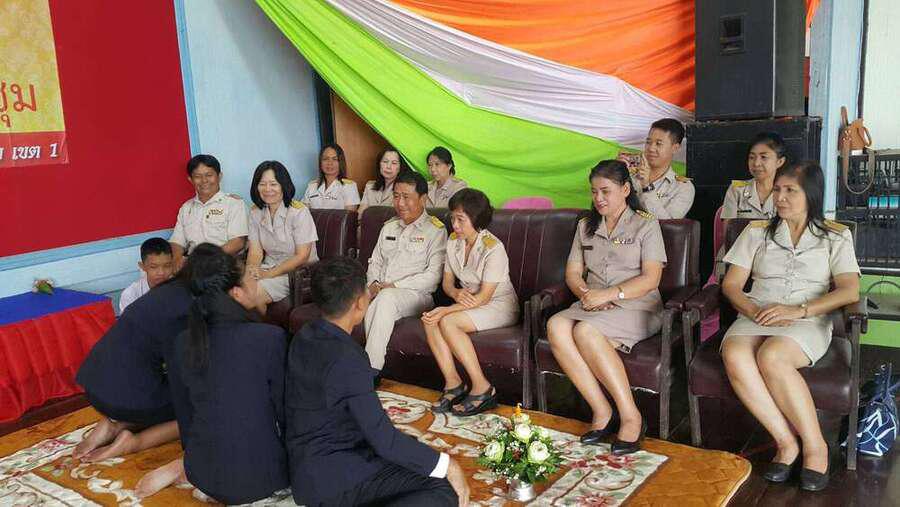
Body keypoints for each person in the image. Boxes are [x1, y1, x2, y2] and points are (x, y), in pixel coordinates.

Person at [719, 161, 860, 492]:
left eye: (790, 190)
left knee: (773, 356)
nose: (779, 197)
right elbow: (731, 285)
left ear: (810, 194)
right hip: (756, 313)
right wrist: (753, 310)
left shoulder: (835, 235)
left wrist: (799, 311)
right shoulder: (756, 232)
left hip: (807, 318)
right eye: (777, 190)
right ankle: (786, 442)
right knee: (735, 354)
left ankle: (815, 446)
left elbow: (849, 290)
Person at [287, 257, 469, 506]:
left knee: (411, 453)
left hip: (304, 472)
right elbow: (385, 441)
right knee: (441, 487)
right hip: (337, 482)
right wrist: (448, 465)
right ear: (360, 302)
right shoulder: (349, 358)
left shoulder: (303, 336)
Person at [134, 244, 290, 503]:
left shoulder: (182, 342)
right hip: (265, 478)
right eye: (250, 278)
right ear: (236, 293)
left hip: (203, 473)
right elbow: (285, 412)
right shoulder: (270, 338)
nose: (255, 283)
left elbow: (186, 417)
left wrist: (195, 462)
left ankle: (182, 469)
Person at [546, 160, 667, 455]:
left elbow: (651, 279)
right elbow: (573, 273)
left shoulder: (646, 224)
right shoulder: (586, 226)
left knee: (586, 332)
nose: (598, 198)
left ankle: (631, 416)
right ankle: (601, 410)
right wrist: (588, 295)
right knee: (556, 325)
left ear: (625, 189)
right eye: (594, 192)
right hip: (593, 303)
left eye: (605, 191)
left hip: (637, 305)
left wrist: (610, 294)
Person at [73, 246, 227, 462]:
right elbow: (180, 379)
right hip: (120, 397)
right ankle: (134, 441)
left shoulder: (166, 290)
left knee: (157, 388)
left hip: (93, 383)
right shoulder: (185, 310)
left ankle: (114, 425)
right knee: (203, 407)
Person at [422, 189, 518, 416]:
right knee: (429, 320)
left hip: (498, 304)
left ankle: (482, 387)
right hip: (468, 303)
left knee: (447, 321)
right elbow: (447, 284)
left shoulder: (493, 248)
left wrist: (446, 310)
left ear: (476, 219)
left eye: (460, 219)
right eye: (452, 218)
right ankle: (453, 384)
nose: (454, 225)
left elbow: (484, 297)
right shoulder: (453, 241)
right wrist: (455, 294)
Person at [366, 170, 448, 373]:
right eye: (396, 196)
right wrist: (373, 284)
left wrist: (394, 286)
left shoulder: (435, 230)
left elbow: (433, 276)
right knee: (353, 298)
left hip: (416, 296)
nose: (400, 203)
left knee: (386, 298)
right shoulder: (389, 227)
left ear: (423, 199)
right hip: (381, 291)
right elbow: (375, 262)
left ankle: (370, 369)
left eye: (406, 197)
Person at [247, 160, 319, 315]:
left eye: (273, 184)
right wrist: (251, 271)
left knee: (252, 293)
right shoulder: (255, 212)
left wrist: (267, 275)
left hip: (298, 273)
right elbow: (255, 251)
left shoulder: (299, 212)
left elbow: (302, 256)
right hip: (269, 266)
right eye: (262, 184)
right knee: (238, 287)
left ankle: (263, 329)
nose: (267, 189)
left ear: (283, 185)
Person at [713, 132, 788, 278]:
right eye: (752, 157)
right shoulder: (736, 190)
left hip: (774, 258)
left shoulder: (787, 194)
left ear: (780, 162)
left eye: (763, 157)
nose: (756, 163)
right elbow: (729, 233)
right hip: (735, 256)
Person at [170, 154, 249, 270]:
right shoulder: (186, 208)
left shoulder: (234, 204)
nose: (204, 181)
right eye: (198, 176)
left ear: (219, 176)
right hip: (193, 265)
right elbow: (177, 242)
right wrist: (177, 260)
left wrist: (206, 261)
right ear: (190, 179)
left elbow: (238, 242)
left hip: (224, 264)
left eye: (209, 175)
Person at [618, 118, 694, 219]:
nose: (651, 148)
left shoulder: (683, 187)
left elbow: (667, 223)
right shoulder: (629, 174)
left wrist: (647, 187)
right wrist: (614, 173)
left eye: (658, 144)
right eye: (648, 142)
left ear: (675, 148)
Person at [119, 237, 175, 313]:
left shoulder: (181, 288)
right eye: (154, 267)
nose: (161, 272)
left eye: (167, 266)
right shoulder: (131, 294)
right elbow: (129, 320)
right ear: (142, 266)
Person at [302, 144, 360, 211]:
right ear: (320, 162)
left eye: (335, 159)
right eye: (325, 159)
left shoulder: (349, 186)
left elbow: (349, 215)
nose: (330, 163)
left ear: (341, 162)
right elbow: (303, 213)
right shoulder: (312, 186)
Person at [358, 146, 411, 215]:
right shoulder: (370, 186)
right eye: (385, 162)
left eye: (394, 163)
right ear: (379, 164)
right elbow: (360, 214)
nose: (388, 166)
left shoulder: (405, 188)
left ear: (400, 167)